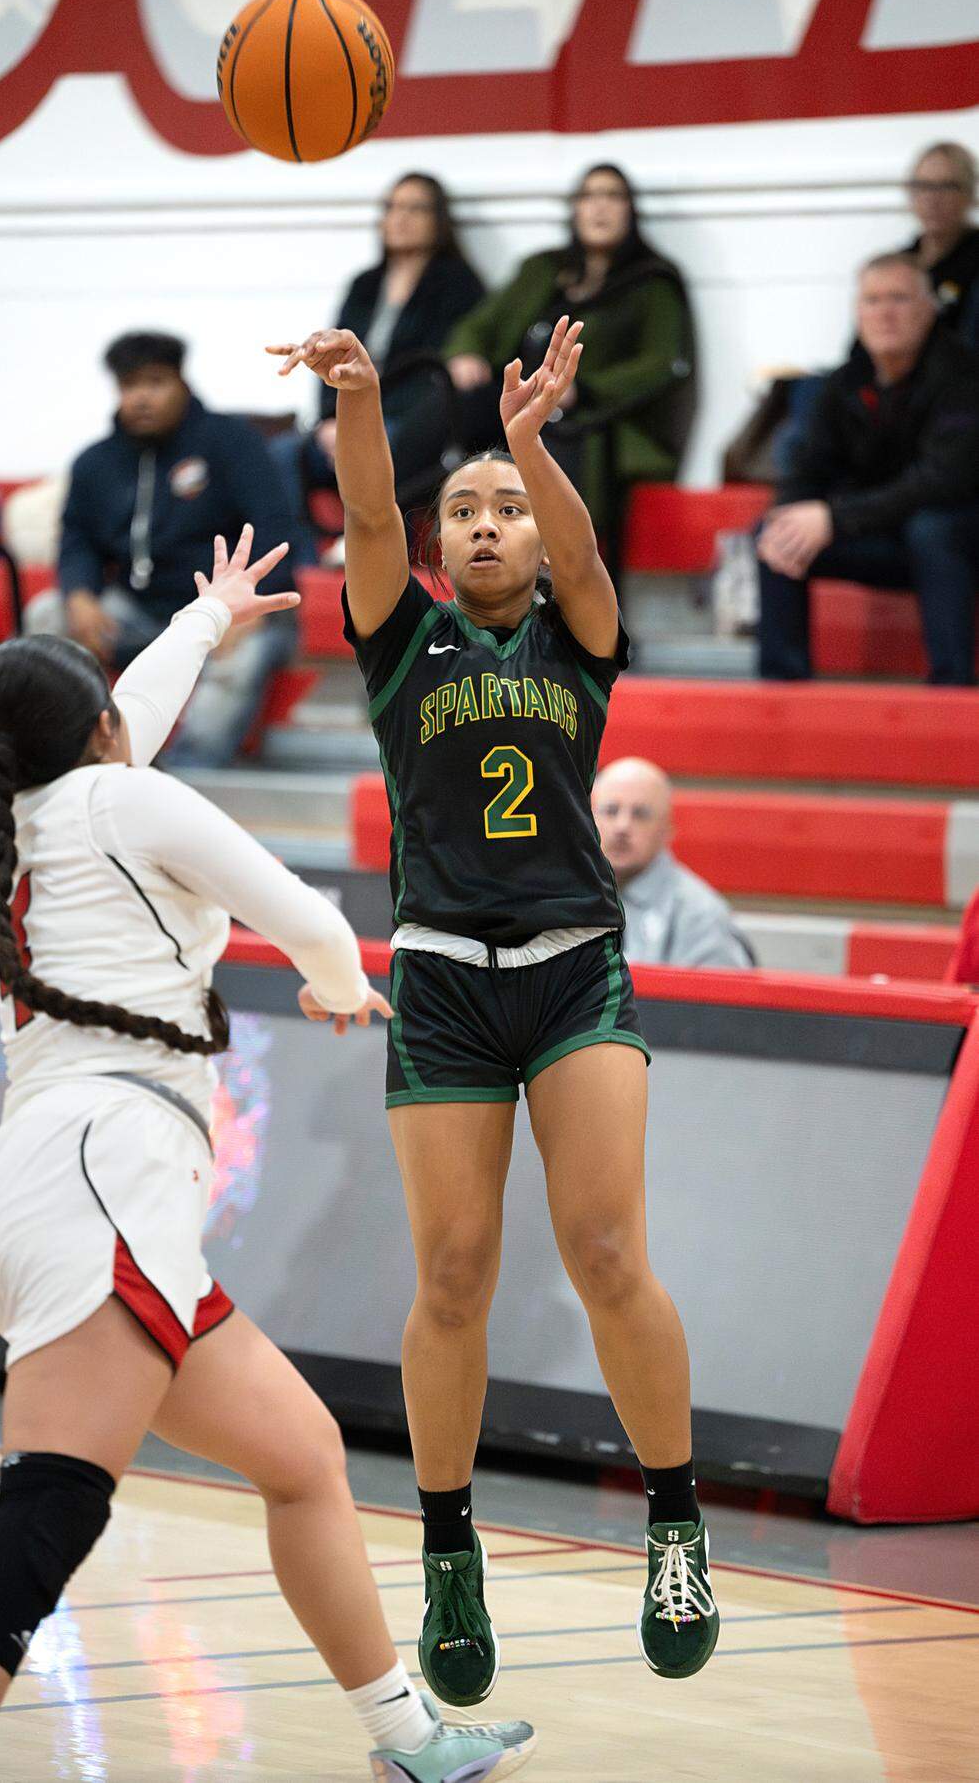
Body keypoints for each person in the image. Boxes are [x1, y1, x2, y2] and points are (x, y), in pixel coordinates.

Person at [0, 530, 536, 1783]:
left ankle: (407, 1737)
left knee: (302, 1458)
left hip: (59, 1184)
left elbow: (126, 727)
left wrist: (209, 618)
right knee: (53, 1501)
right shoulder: (118, 796)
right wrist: (338, 986)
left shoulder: (39, 807)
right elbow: (317, 922)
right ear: (99, 723)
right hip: (104, 1179)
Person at [269, 316, 719, 1710]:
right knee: (452, 1274)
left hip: (577, 964)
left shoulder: (582, 637)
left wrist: (532, 444)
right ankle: (451, 1550)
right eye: (461, 508)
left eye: (502, 510)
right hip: (444, 979)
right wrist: (357, 396)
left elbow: (586, 559)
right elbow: (360, 510)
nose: (481, 526)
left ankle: (676, 1521)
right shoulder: (403, 646)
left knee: (602, 1247)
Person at [25, 331, 300, 765]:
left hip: (228, 609)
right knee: (47, 613)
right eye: (129, 386)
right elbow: (77, 538)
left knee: (243, 654)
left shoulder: (232, 442)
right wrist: (79, 595)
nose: (141, 398)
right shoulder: (95, 462)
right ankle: (68, 760)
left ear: (181, 383)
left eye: (155, 382)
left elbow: (274, 527)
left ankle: (188, 777)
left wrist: (243, 609)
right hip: (139, 611)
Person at [757, 253, 979, 685]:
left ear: (929, 309)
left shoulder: (964, 376)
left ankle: (954, 692)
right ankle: (782, 689)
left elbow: (944, 480)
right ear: (857, 314)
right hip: (883, 529)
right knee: (778, 533)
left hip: (958, 534)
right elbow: (807, 466)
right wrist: (791, 511)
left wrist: (835, 518)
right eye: (873, 300)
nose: (885, 313)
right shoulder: (843, 382)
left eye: (899, 298)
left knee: (932, 530)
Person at [443, 162, 695, 535]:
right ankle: (392, 517)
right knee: (450, 403)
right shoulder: (543, 269)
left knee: (555, 434)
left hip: (595, 420)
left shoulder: (652, 281)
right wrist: (466, 352)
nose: (600, 207)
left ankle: (549, 569)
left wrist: (582, 390)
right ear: (575, 209)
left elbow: (663, 363)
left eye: (613, 196)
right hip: (519, 400)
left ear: (631, 210)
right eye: (589, 196)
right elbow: (480, 324)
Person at [274, 173, 484, 565]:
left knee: (390, 446)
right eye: (392, 207)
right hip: (345, 415)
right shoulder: (365, 284)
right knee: (284, 454)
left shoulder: (458, 284)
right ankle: (302, 570)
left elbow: (437, 373)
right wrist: (327, 420)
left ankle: (375, 564)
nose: (400, 217)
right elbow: (330, 351)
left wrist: (365, 417)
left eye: (415, 208)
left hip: (404, 423)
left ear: (438, 220)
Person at [592, 758, 754, 969]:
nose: (622, 826)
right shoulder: (566, 896)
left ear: (666, 830)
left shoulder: (701, 917)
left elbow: (723, 1000)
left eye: (641, 814)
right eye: (611, 811)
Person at [902, 141, 979, 348]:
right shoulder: (901, 264)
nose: (933, 199)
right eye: (924, 186)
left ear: (968, 194)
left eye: (946, 186)